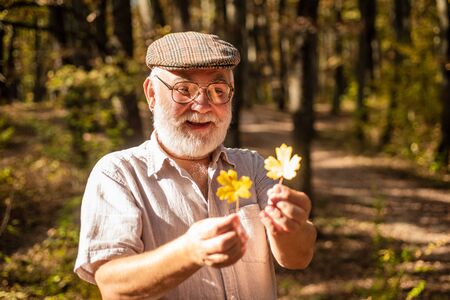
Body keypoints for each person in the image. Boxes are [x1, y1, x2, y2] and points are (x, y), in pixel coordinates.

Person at [74, 31, 316, 299]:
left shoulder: (252, 166)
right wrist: (189, 253)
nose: (202, 106)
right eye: (184, 90)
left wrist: (296, 225)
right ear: (152, 94)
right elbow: (112, 285)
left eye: (218, 91)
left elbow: (297, 258)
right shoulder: (119, 174)